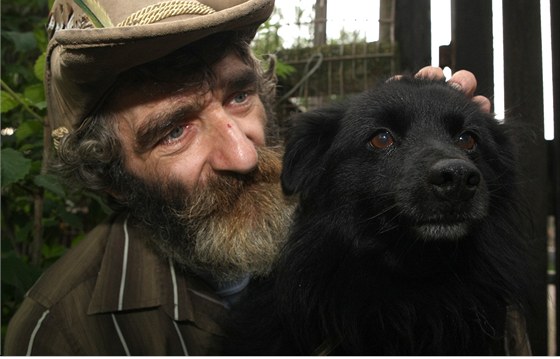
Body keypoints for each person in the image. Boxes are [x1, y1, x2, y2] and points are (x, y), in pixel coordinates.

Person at [4, 0, 517, 355]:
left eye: (239, 96)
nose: (243, 155)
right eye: (174, 131)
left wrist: (400, 137)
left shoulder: (325, 201)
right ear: (113, 177)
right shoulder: (65, 335)